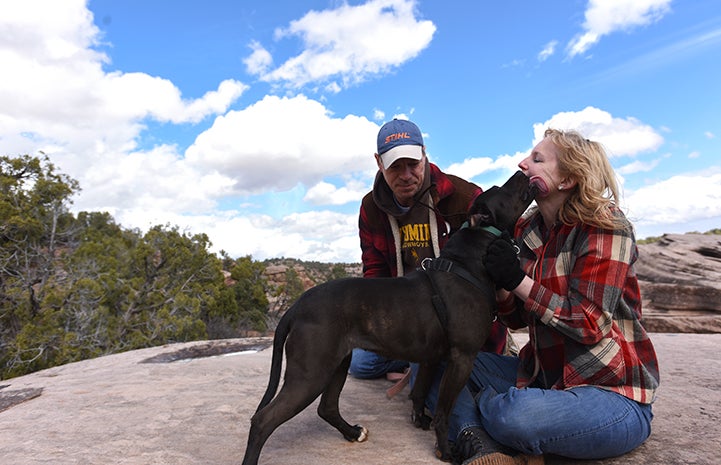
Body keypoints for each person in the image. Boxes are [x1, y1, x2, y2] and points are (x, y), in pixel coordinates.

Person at [415, 128, 660, 465]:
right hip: (540, 376)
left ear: (568, 179)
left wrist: (517, 280)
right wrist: (501, 285)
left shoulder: (605, 226)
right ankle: (481, 445)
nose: (522, 163)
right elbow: (517, 318)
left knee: (516, 416)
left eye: (537, 159)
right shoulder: (527, 229)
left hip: (610, 393)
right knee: (429, 357)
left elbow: (589, 323)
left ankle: (483, 419)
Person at [350, 118, 509, 381]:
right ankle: (415, 366)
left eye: (413, 164)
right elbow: (375, 273)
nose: (406, 175)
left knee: (445, 370)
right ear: (378, 163)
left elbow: (488, 277)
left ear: (424, 154)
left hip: (457, 321)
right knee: (360, 364)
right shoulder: (371, 208)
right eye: (395, 167)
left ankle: (418, 368)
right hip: (406, 319)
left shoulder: (464, 196)